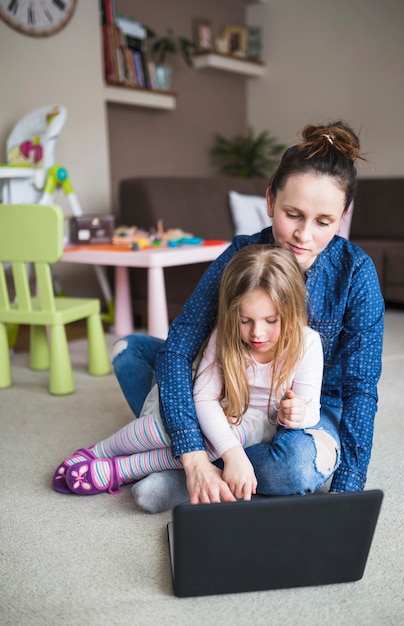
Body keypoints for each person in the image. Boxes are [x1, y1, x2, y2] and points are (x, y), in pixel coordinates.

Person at [112, 120, 385, 512]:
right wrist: (192, 449)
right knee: (130, 351)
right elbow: (178, 349)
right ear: (271, 201)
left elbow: (361, 389)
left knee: (293, 468)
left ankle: (188, 473)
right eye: (293, 214)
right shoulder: (241, 255)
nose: (303, 235)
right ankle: (197, 462)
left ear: (341, 218)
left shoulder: (356, 273)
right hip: (232, 395)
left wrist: (345, 494)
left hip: (309, 410)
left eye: (323, 222)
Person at [52, 246, 323, 499]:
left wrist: (298, 414)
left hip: (256, 425)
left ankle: (122, 470)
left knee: (219, 437)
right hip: (220, 409)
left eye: (271, 321)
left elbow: (312, 408)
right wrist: (232, 455)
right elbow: (203, 398)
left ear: (291, 312)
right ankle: (97, 452)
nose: (257, 333)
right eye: (245, 320)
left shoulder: (307, 343)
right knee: (176, 422)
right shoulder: (225, 336)